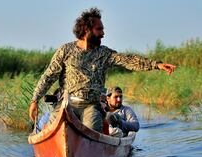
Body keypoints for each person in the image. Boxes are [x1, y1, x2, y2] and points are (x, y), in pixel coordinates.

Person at [29, 7, 176, 132]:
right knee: (55, 128)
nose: (103, 33)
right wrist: (34, 100)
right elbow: (48, 76)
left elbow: (128, 60)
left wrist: (156, 65)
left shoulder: (104, 54)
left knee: (91, 130)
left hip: (91, 106)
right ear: (87, 29)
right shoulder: (65, 50)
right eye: (99, 29)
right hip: (67, 104)